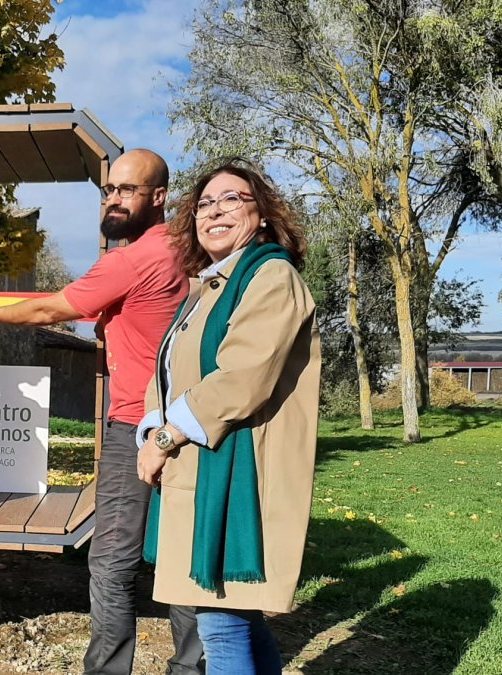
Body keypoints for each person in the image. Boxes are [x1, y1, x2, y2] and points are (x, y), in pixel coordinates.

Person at [0, 149, 203, 675]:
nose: (113, 200)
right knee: (181, 552)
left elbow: (55, 307)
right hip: (184, 423)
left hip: (136, 424)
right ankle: (192, 667)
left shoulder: (131, 260)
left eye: (127, 190)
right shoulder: (183, 252)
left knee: (112, 558)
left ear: (159, 197)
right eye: (108, 190)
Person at [136, 159, 320, 674]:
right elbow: (170, 374)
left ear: (262, 214)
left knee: (220, 619)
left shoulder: (271, 276)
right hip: (203, 464)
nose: (215, 211)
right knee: (234, 614)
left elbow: (243, 377)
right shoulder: (206, 289)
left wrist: (165, 438)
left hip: (243, 473)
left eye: (232, 199)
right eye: (204, 204)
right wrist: (152, 429)